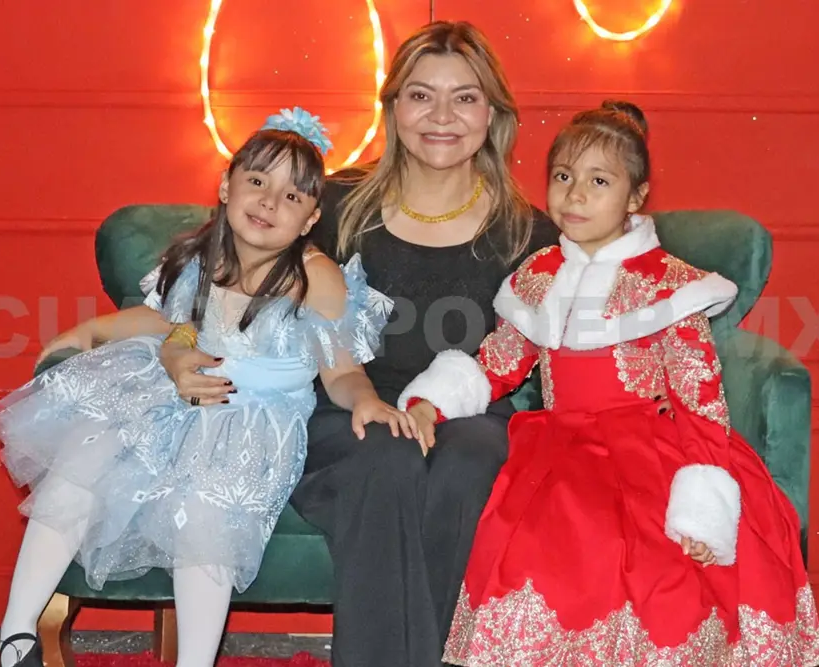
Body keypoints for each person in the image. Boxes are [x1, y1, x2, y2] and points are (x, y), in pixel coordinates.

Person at [160, 21, 564, 667]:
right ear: (393, 107)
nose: (441, 116)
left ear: (492, 114)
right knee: (386, 454)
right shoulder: (334, 205)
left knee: (470, 460)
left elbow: (543, 361)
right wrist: (177, 345)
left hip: (467, 413)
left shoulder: (527, 233)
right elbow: (214, 278)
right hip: (338, 407)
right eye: (420, 95)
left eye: (464, 97)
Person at [401, 100, 819, 665]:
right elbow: (500, 361)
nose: (575, 195)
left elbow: (700, 399)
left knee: (652, 565)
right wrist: (431, 402)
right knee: (545, 543)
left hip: (653, 451)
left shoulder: (666, 285)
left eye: (598, 181)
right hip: (559, 447)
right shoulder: (540, 276)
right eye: (563, 177)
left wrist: (702, 503)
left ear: (635, 196)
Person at [0, 108, 408, 667]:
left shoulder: (315, 278)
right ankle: (16, 634)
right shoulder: (198, 257)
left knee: (204, 515)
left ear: (310, 220)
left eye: (291, 196)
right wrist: (91, 331)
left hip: (250, 421)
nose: (268, 202)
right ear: (226, 186)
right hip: (166, 397)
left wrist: (366, 400)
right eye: (257, 182)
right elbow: (165, 320)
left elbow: (342, 370)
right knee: (80, 464)